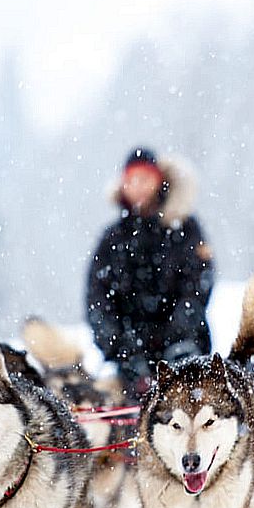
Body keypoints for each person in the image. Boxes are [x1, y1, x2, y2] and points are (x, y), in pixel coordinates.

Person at [85, 147, 215, 401]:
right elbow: (98, 301)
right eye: (131, 180)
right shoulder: (112, 239)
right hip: (128, 362)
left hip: (186, 350)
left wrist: (179, 339)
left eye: (145, 178)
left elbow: (198, 286)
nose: (138, 186)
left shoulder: (185, 228)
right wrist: (123, 351)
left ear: (159, 181)